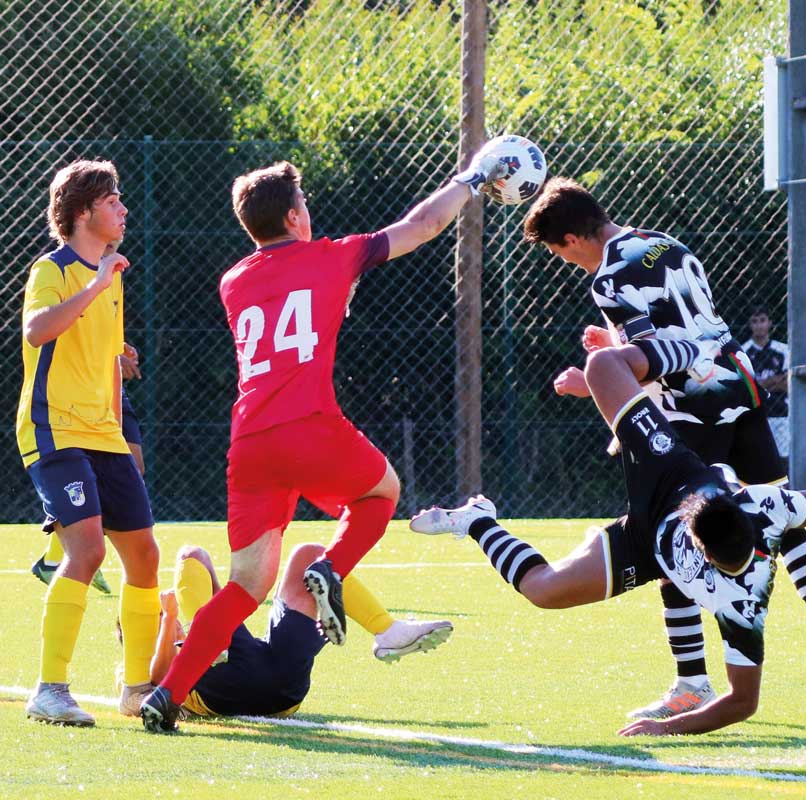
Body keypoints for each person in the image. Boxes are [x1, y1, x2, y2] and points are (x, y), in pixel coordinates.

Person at [140, 144, 510, 732]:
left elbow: (291, 307)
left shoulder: (232, 280)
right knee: (382, 492)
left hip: (251, 442)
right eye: (304, 202)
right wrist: (472, 178)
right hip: (308, 425)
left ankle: (167, 695)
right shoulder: (331, 256)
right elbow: (424, 225)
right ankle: (331, 570)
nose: (309, 209)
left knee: (244, 588)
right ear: (293, 216)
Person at [411, 343, 806, 735]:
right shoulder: (761, 504)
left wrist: (666, 730)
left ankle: (477, 520)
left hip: (650, 545)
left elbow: (743, 703)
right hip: (667, 478)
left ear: (705, 557)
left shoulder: (742, 606)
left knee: (543, 591)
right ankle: (685, 348)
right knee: (602, 367)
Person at [524, 178, 806, 721]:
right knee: (780, 506)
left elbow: (650, 354)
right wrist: (617, 351)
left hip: (689, 405)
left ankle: (692, 683)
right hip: (738, 382)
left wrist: (598, 380)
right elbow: (680, 329)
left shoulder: (608, 278)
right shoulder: (663, 241)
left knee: (669, 532)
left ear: (571, 239)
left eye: (558, 252)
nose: (565, 262)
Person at [17, 160, 160, 725]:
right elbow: (37, 330)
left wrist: (117, 364)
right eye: (112, 201)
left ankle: (137, 688)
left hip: (103, 430)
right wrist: (96, 283)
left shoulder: (112, 273)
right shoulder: (51, 268)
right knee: (88, 551)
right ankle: (49, 690)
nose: (123, 209)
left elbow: (97, 351)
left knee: (144, 555)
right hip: (54, 427)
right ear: (82, 212)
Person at [136, 543, 450, 720]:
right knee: (188, 555)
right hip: (222, 689)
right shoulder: (141, 659)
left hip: (281, 684)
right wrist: (169, 619)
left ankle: (386, 630)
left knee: (312, 556)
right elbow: (159, 678)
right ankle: (205, 643)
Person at [32, 341, 143, 595]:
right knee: (96, 474)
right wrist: (111, 357)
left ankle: (56, 558)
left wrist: (117, 346)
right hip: (82, 393)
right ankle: (68, 554)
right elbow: (54, 333)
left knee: (133, 466)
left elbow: (97, 329)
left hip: (108, 389)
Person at [742, 308, 790, 461]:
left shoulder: (783, 350)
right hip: (755, 415)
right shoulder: (743, 352)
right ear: (750, 325)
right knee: (759, 460)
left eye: (762, 320)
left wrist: (759, 385)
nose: (759, 325)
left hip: (781, 414)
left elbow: (788, 385)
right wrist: (775, 379)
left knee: (783, 460)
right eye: (755, 321)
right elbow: (746, 389)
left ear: (770, 323)